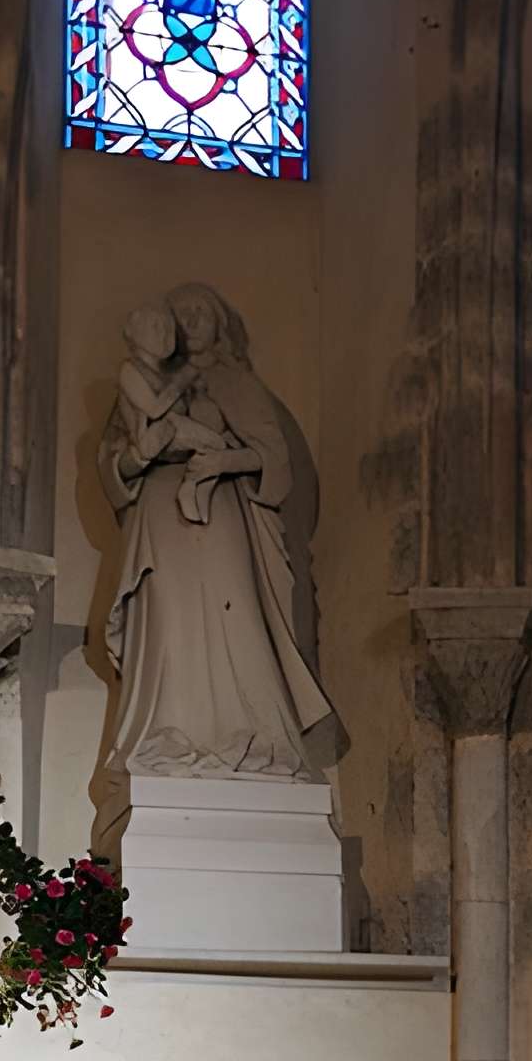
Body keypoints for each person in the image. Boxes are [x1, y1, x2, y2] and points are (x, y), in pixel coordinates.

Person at [98, 286, 336, 785]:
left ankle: (254, 739)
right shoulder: (146, 382)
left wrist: (223, 461)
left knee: (237, 621)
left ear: (220, 323)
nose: (190, 320)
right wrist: (138, 458)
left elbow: (273, 458)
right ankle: (170, 737)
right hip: (161, 519)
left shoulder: (236, 383)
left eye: (201, 311)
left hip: (223, 512)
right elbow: (115, 461)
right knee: (170, 625)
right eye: (180, 313)